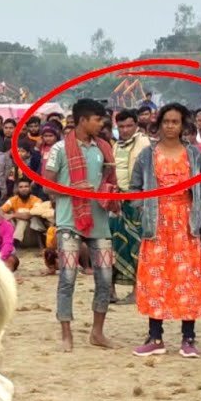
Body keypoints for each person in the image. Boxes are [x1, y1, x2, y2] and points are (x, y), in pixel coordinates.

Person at [129, 103, 201, 358]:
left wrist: (198, 203)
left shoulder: (194, 154)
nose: (170, 126)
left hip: (186, 225)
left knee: (187, 280)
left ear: (183, 125)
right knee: (156, 278)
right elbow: (134, 188)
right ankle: (155, 337)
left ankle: (188, 338)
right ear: (158, 124)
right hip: (156, 224)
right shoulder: (147, 155)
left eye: (175, 122)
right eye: (166, 121)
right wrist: (144, 207)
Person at [44, 99, 120, 352]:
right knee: (67, 277)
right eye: (98, 120)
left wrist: (110, 192)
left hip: (99, 220)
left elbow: (109, 179)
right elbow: (47, 185)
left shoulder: (104, 148)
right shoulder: (59, 149)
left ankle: (97, 332)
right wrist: (71, 189)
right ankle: (67, 334)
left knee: (106, 278)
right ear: (83, 120)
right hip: (69, 220)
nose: (102, 124)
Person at [110, 109, 150, 303]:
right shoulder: (116, 146)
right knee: (116, 245)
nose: (125, 130)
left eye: (128, 126)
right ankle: (111, 290)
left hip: (139, 201)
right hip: (118, 201)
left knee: (138, 246)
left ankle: (137, 290)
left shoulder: (145, 144)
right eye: (121, 127)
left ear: (136, 125)